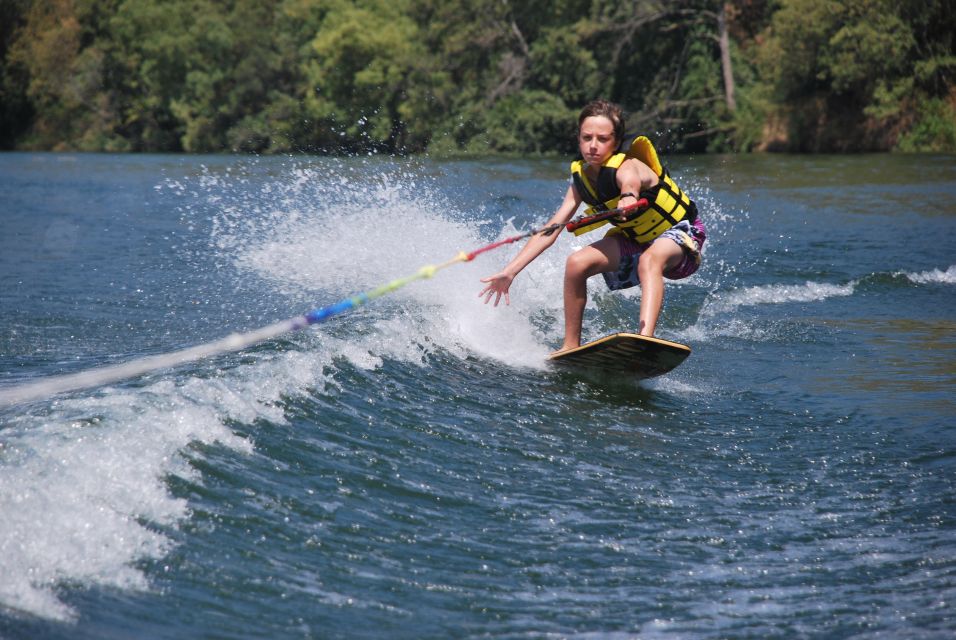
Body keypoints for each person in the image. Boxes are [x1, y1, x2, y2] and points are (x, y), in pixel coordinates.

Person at [478, 99, 705, 352]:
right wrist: (511, 271)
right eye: (587, 138)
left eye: (602, 139)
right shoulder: (581, 181)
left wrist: (627, 200)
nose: (593, 146)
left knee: (649, 259)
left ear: (616, 142)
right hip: (637, 240)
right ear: (578, 139)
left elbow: (629, 186)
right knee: (576, 263)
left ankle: (645, 340)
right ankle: (570, 346)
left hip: (682, 237)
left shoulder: (627, 167)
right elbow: (552, 228)